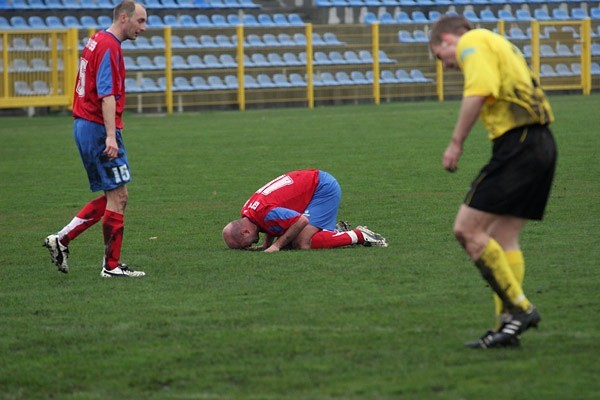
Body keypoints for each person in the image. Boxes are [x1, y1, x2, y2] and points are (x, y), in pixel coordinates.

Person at [429, 15, 557, 348]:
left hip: (519, 143)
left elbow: (479, 90)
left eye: (440, 57)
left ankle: (522, 309)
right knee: (504, 237)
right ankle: (508, 327)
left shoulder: (472, 41)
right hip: (541, 143)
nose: (447, 67)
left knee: (466, 229)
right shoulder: (496, 43)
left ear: (446, 39)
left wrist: (456, 142)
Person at [43, 1, 147, 278]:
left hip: (86, 125)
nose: (144, 28)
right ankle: (110, 267)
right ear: (123, 18)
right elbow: (107, 94)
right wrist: (111, 136)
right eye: (140, 21)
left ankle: (62, 240)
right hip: (98, 128)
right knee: (119, 196)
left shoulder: (97, 39)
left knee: (114, 196)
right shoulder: (110, 46)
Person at [222, 169, 388, 252]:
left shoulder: (263, 213)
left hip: (322, 188)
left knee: (301, 242)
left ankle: (359, 235)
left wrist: (276, 246)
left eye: (245, 244)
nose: (249, 245)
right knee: (291, 240)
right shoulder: (249, 211)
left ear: (244, 232)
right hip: (312, 185)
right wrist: (267, 243)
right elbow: (272, 221)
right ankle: (331, 231)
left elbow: (300, 221)